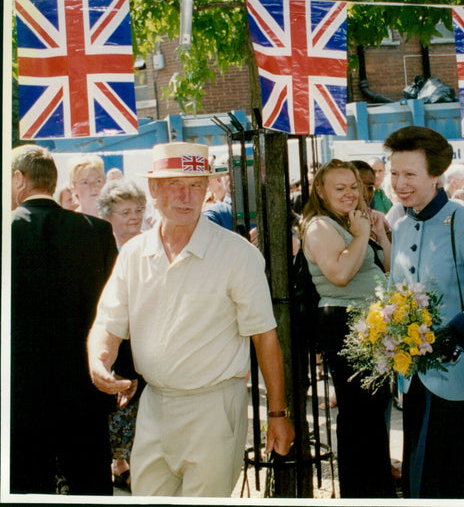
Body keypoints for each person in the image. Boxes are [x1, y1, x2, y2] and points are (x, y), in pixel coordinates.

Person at [87, 142, 294, 497]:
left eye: (196, 185)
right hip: (153, 406)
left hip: (213, 408)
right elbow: (108, 322)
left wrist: (277, 414)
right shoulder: (135, 253)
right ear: (153, 189)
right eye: (174, 184)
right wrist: (99, 360)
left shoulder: (236, 254)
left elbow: (265, 337)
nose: (186, 196)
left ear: (207, 189)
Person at [385, 126, 464, 499]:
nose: (400, 184)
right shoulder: (400, 226)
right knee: (419, 481)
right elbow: (396, 295)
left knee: (448, 482)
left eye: (410, 174)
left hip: (458, 380)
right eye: (394, 173)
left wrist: (457, 331)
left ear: (436, 175)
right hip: (413, 379)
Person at [10, 145, 118, 495]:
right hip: (84, 390)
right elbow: (116, 309)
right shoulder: (97, 232)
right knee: (91, 489)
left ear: (17, 179)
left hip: (20, 396)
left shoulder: (7, 232)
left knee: (27, 490)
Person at [299, 159, 395, 498]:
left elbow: (387, 268)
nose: (350, 194)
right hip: (345, 323)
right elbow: (340, 273)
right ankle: (361, 493)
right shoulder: (320, 227)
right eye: (340, 188)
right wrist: (361, 235)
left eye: (354, 186)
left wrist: (378, 234)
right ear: (321, 193)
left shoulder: (354, 222)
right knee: (358, 418)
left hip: (370, 324)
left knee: (372, 416)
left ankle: (377, 488)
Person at [95, 179, 148, 490]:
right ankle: (119, 462)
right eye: (125, 211)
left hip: (144, 338)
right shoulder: (100, 249)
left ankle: (134, 463)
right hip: (115, 339)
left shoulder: (151, 245)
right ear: (108, 215)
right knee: (115, 409)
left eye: (139, 209)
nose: (134, 216)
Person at [97, 180, 147, 248]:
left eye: (138, 210)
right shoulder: (103, 249)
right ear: (108, 216)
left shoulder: (151, 243)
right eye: (126, 212)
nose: (134, 216)